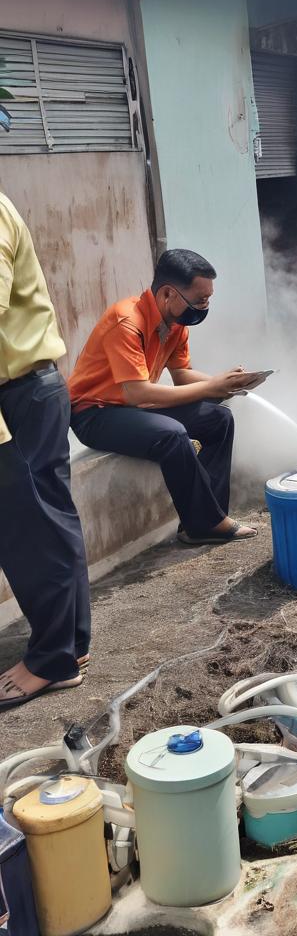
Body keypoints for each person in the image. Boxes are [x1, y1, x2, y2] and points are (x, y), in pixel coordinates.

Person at [68, 249, 258, 546]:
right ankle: (205, 524)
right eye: (199, 300)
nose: (204, 306)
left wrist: (227, 383)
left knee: (219, 420)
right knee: (173, 435)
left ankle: (208, 518)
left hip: (134, 407)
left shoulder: (176, 323)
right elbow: (137, 391)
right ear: (169, 294)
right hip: (95, 413)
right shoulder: (126, 321)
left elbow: (182, 374)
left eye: (208, 299)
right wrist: (211, 388)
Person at [0, 191, 90, 710]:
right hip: (29, 390)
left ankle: (51, 659)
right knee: (50, 523)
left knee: (31, 531)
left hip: (19, 395)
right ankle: (70, 649)